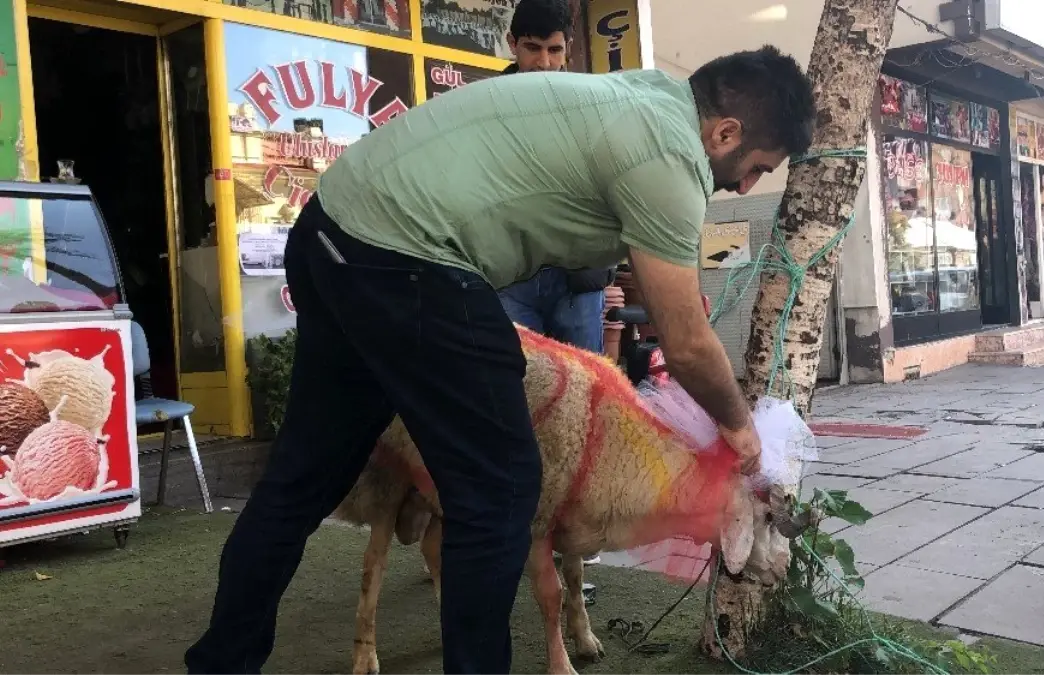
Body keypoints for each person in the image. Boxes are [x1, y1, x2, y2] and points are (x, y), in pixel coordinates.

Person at [184, 45, 816, 675]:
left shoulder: (643, 98)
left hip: (330, 231)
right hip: (407, 257)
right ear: (724, 131)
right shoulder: (670, 153)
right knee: (503, 487)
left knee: (300, 480)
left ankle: (221, 664)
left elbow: (657, 292)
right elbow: (686, 343)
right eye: (756, 167)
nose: (746, 185)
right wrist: (741, 430)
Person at [496, 0, 618, 358]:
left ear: (569, 48)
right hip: (511, 275)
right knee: (520, 392)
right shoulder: (486, 107)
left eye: (554, 49)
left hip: (578, 277)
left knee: (585, 395)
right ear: (512, 43)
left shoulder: (593, 108)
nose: (544, 62)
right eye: (532, 48)